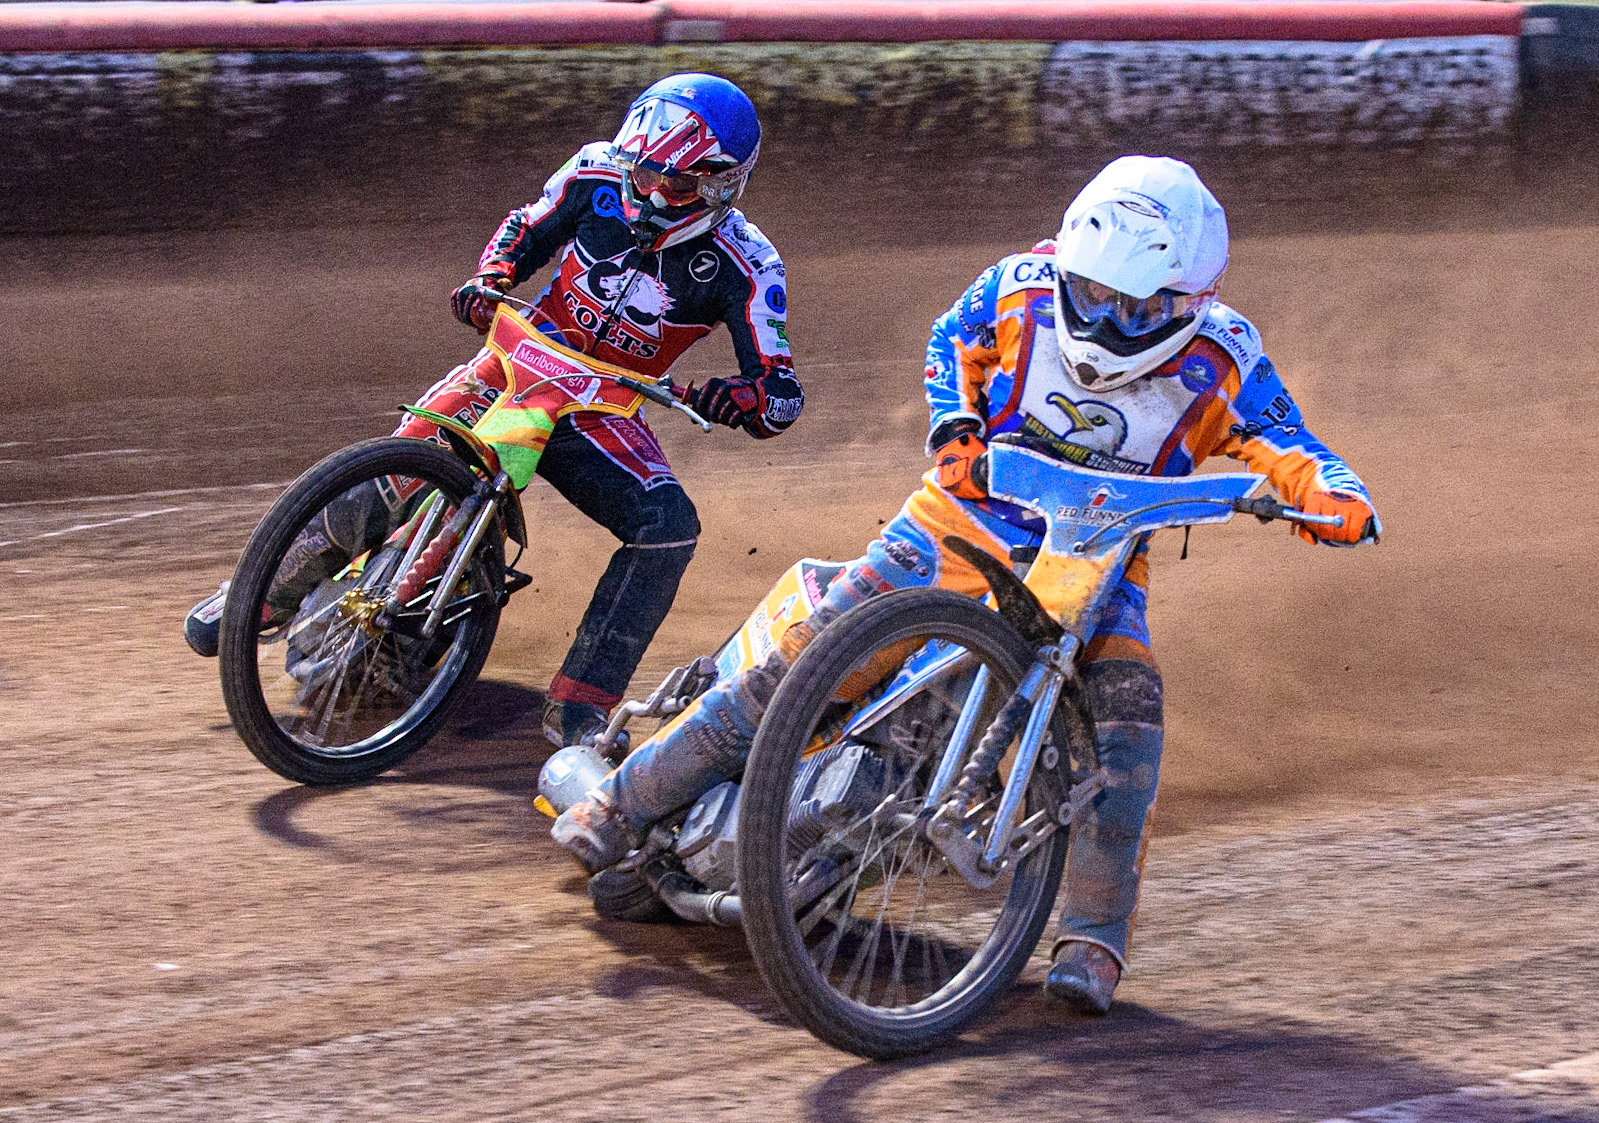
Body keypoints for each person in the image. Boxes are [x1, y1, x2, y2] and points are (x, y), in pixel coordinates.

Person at [551, 155, 1378, 1014]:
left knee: (1128, 719)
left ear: (1189, 305)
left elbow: (1289, 442)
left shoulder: (1225, 357)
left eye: (1135, 309)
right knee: (803, 662)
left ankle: (1094, 939)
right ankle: (623, 799)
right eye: (1092, 294)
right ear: (1065, 262)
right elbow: (953, 337)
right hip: (954, 525)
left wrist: (1333, 496)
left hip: (1098, 562)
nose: (1106, 320)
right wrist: (955, 424)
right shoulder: (1019, 288)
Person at [184, 73, 803, 750]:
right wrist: (492, 278)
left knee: (670, 527)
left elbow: (781, 392)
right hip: (519, 360)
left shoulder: (751, 265)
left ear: (723, 187)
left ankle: (580, 709)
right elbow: (526, 229)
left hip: (604, 406)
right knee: (408, 458)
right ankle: (259, 592)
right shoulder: (594, 171)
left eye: (676, 186)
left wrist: (745, 397)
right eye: (643, 172)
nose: (650, 194)